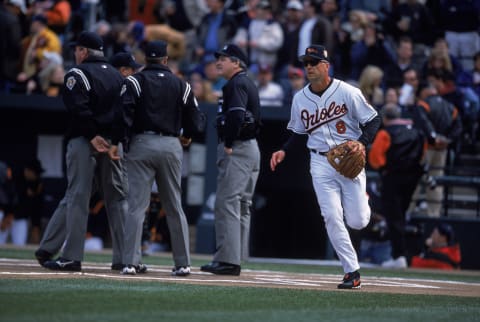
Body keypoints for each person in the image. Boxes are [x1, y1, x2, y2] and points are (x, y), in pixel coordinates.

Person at [270, 44, 381, 289]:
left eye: (313, 62)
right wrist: (283, 150)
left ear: (325, 66)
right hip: (320, 162)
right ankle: (352, 271)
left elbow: (374, 120)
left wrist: (362, 143)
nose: (308, 67)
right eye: (305, 63)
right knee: (331, 216)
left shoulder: (348, 92)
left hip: (349, 157)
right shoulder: (300, 98)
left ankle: (363, 196)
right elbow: (298, 133)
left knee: (358, 221)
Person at [108, 40, 206, 276]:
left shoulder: (134, 81)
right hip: (171, 144)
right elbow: (196, 118)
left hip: (141, 143)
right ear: (165, 59)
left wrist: (117, 141)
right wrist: (188, 136)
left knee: (136, 207)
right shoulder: (181, 84)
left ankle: (130, 262)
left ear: (145, 58)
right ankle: (183, 263)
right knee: (174, 205)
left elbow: (123, 115)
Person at [34, 31, 128, 272]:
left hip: (85, 141)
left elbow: (78, 107)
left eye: (77, 49)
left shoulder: (78, 73)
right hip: (112, 144)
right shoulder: (118, 77)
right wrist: (115, 141)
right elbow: (124, 113)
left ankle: (71, 256)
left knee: (78, 195)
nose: (75, 53)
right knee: (116, 198)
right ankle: (124, 258)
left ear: (84, 51)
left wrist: (92, 135)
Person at [200, 44, 261, 276]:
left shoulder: (235, 83)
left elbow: (236, 115)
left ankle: (228, 260)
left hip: (238, 148)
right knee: (242, 205)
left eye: (223, 58)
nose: (218, 62)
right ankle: (237, 257)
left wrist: (228, 142)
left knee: (227, 202)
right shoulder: (246, 82)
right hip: (251, 148)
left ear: (236, 62)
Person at [368, 103, 426, 269]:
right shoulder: (416, 131)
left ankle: (399, 256)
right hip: (412, 178)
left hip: (392, 178)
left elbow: (375, 157)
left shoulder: (386, 133)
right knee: (401, 215)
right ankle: (400, 255)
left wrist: (383, 169)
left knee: (394, 218)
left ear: (385, 118)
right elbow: (423, 151)